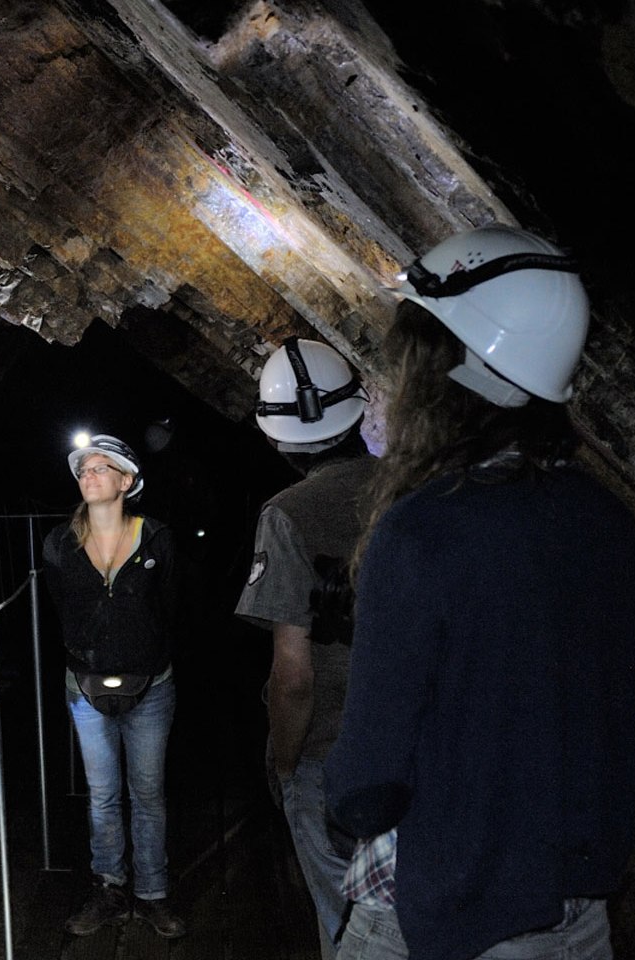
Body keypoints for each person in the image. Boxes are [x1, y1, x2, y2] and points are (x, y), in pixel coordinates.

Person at [325, 226, 635, 960]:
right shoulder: (607, 521)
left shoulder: (424, 533)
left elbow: (367, 779)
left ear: (452, 371)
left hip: (442, 913)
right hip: (577, 916)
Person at [234, 338, 375, 957]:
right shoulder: (424, 492)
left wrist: (285, 765)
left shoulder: (288, 514)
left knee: (345, 929)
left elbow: (294, 677)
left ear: (276, 437)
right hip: (429, 748)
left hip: (330, 753)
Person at [43, 433, 188, 939]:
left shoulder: (158, 539)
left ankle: (152, 893)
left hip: (152, 683)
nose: (89, 475)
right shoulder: (60, 543)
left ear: (126, 480)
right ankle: (109, 887)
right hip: (84, 684)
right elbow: (63, 606)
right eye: (83, 470)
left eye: (100, 468)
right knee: (103, 794)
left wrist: (141, 649)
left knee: (147, 792)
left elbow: (170, 608)